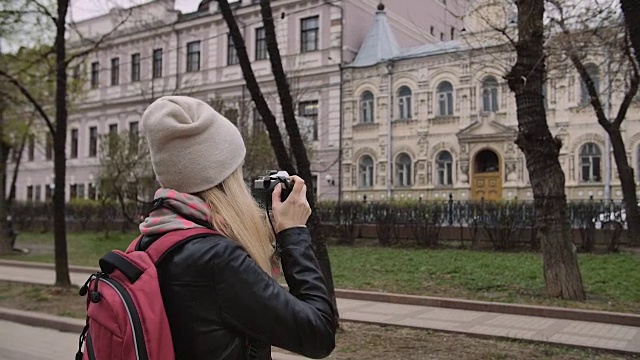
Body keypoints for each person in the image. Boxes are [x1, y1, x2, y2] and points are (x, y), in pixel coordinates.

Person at [138, 96, 336, 360]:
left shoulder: (152, 238)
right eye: (237, 171)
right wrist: (294, 233)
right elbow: (319, 334)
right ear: (224, 178)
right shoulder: (218, 260)